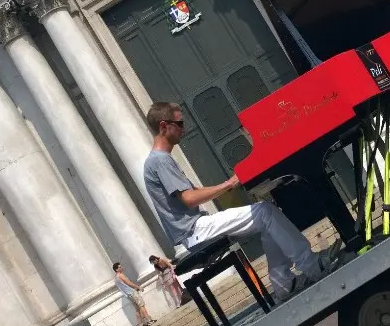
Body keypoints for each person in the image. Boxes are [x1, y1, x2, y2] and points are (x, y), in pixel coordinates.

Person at [142, 102, 343, 302]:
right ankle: (313, 266)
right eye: (180, 123)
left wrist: (229, 184)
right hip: (195, 231)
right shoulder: (160, 161)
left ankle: (284, 284)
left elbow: (194, 191)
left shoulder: (159, 160)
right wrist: (228, 185)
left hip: (196, 229)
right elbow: (189, 199)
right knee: (265, 212)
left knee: (266, 218)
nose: (183, 128)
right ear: (163, 125)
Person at [113, 262, 155, 326]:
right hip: (132, 293)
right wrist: (138, 287)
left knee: (137, 309)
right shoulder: (120, 275)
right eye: (120, 267)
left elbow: (124, 286)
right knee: (141, 306)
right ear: (116, 269)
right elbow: (128, 283)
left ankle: (141, 325)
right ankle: (149, 320)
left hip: (129, 295)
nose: (122, 267)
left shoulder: (116, 278)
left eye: (121, 266)